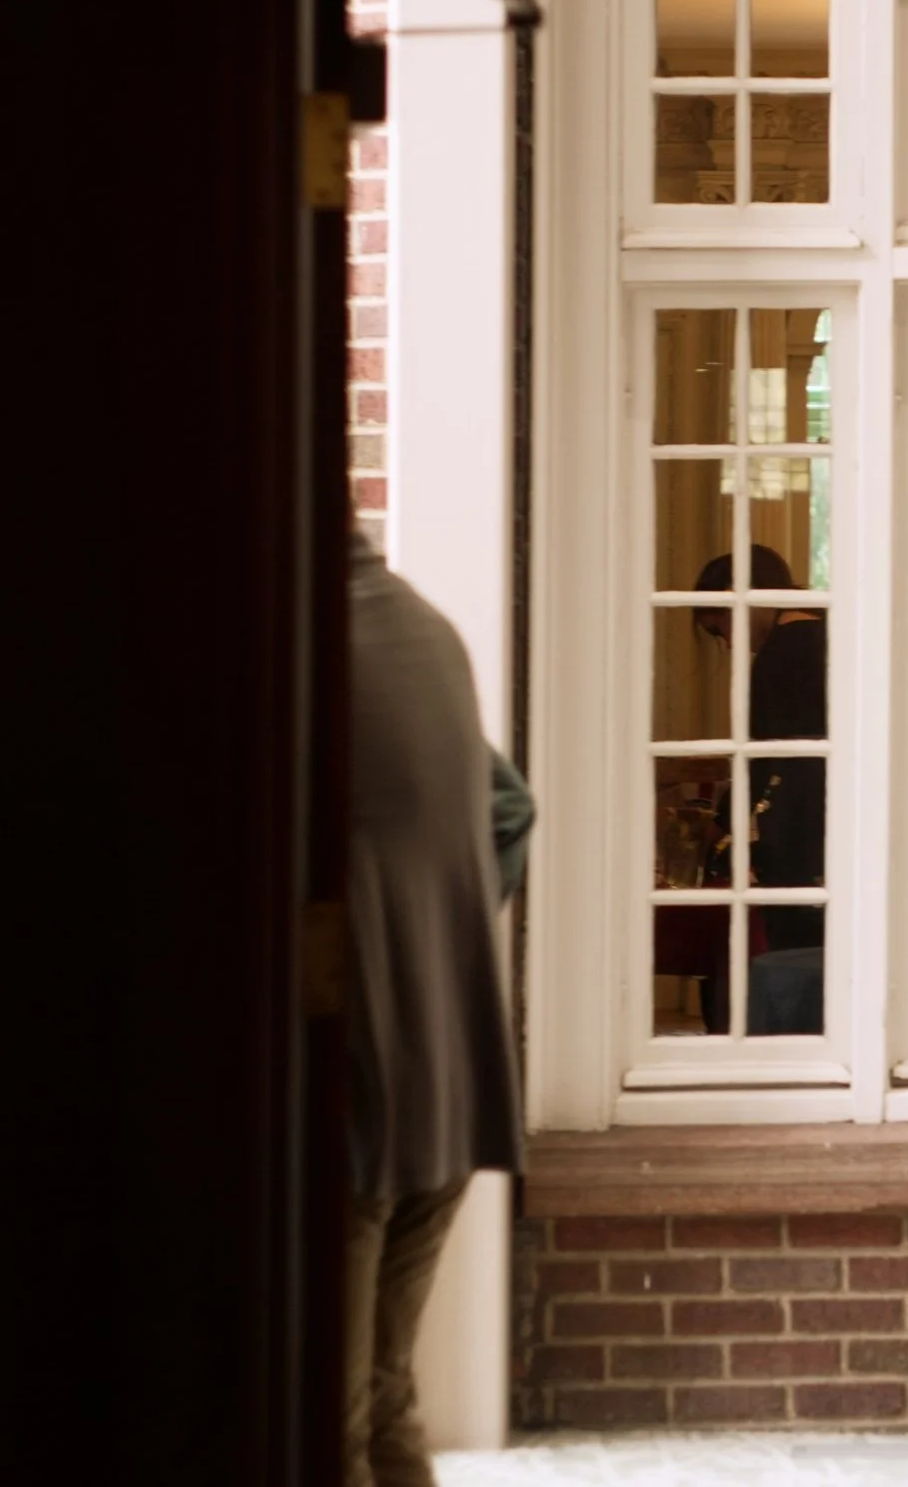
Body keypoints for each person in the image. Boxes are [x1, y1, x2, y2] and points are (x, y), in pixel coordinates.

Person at [344, 528, 526, 1487]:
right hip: (452, 1074)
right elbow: (509, 810)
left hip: (354, 1089)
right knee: (387, 1396)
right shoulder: (428, 632)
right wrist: (438, 935)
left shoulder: (306, 650)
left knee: (326, 1422)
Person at [691, 545, 828, 1032]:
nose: (728, 642)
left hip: (799, 823)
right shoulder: (828, 631)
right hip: (834, 817)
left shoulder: (783, 652)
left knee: (797, 949)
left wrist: (725, 824)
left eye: (720, 626)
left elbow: (761, 753)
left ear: (737, 598)